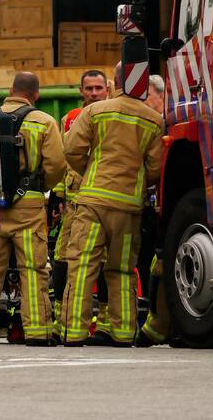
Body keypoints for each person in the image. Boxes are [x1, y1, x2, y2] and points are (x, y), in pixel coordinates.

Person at [60, 62, 164, 346]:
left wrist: (91, 170)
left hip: (93, 202)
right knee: (121, 270)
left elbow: (71, 149)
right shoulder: (153, 120)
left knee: (82, 268)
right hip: (129, 208)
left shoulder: (94, 111)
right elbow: (155, 168)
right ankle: (122, 332)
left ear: (112, 84)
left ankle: (74, 332)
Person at [0, 72, 66, 345]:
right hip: (29, 207)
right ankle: (38, 331)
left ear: (10, 90)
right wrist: (40, 188)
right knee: (33, 269)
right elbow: (56, 166)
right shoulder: (44, 122)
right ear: (36, 94)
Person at [50, 70, 108, 337]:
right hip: (73, 204)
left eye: (98, 88)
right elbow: (63, 160)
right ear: (81, 91)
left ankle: (105, 316)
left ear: (107, 89)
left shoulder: (113, 115)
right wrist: (59, 196)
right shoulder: (70, 119)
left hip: (104, 200)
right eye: (89, 88)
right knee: (62, 258)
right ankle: (61, 315)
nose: (94, 93)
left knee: (105, 262)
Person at [136, 74, 172, 348]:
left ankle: (158, 326)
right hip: (144, 207)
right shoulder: (145, 124)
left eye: (146, 96)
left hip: (160, 208)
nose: (142, 103)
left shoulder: (168, 125)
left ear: (162, 95)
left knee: (159, 263)